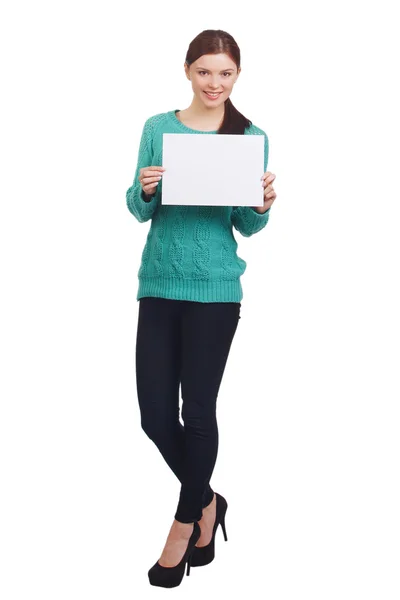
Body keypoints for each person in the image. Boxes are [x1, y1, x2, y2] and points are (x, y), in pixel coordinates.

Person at [126, 29, 277, 588]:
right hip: (159, 286)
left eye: (226, 74)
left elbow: (247, 225)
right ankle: (211, 499)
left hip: (216, 291)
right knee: (154, 417)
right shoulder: (158, 129)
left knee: (198, 413)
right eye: (205, 71)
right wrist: (144, 189)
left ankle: (184, 522)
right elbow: (137, 209)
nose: (215, 83)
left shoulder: (249, 136)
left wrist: (261, 203)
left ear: (237, 77)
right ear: (188, 71)